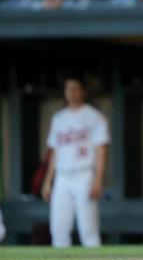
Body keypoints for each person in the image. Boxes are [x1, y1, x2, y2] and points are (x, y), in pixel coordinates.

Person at [41, 75, 109, 248]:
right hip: (62, 177)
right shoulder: (58, 118)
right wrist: (48, 181)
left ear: (83, 91)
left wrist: (98, 180)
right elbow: (55, 152)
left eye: (75, 89)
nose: (71, 93)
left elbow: (101, 149)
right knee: (58, 229)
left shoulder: (94, 116)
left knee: (88, 229)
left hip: (84, 174)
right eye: (68, 89)